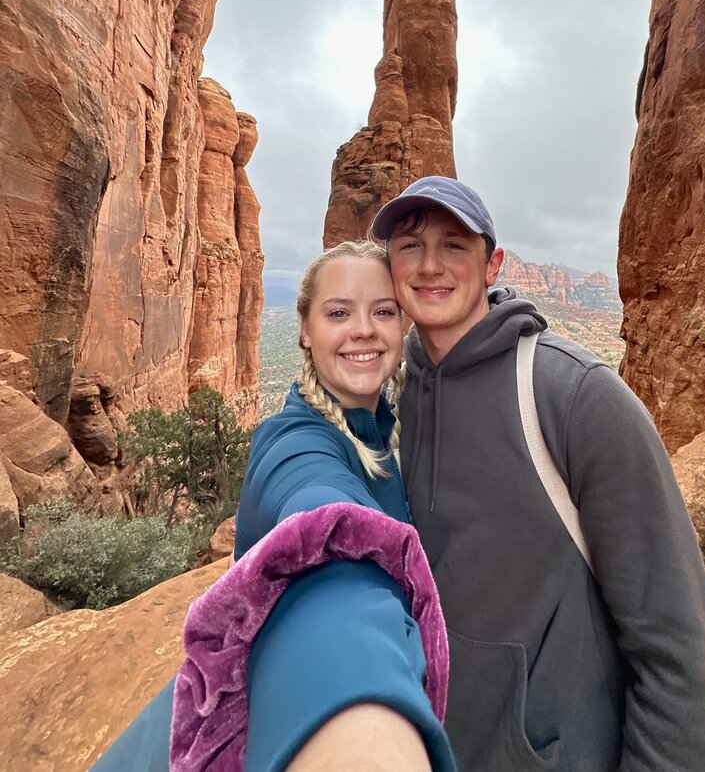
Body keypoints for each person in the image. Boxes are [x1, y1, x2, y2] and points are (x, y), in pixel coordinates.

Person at [371, 176, 705, 772]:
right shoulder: (391, 399)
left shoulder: (574, 398)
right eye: (410, 246)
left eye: (455, 246)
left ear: (492, 264)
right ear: (389, 267)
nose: (430, 265)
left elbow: (680, 656)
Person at [94, 241, 455, 772]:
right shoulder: (291, 442)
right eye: (338, 312)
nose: (364, 329)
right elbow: (324, 532)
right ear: (305, 331)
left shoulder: (393, 428)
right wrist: (364, 714)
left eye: (383, 311)